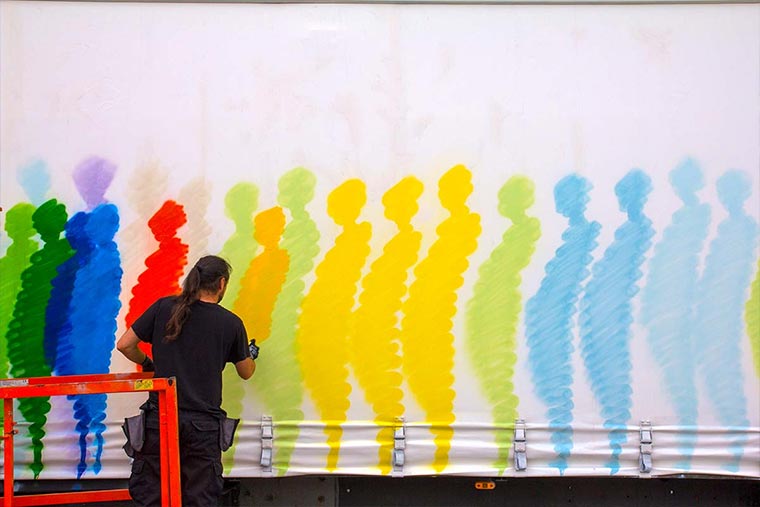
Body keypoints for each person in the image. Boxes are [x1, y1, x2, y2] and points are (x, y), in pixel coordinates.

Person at [117, 255, 257, 507]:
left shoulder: (163, 307)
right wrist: (249, 353)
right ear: (221, 283)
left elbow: (125, 345)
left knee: (152, 496)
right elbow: (246, 372)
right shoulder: (231, 323)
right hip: (203, 426)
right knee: (200, 499)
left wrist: (148, 363)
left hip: (159, 420)